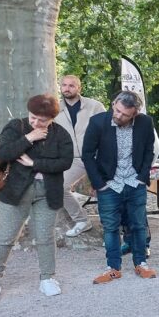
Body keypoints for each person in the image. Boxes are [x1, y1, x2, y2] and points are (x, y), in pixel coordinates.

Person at [0, 94, 74, 301]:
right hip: (15, 190)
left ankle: (47, 278)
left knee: (45, 236)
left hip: (48, 191)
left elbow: (65, 162)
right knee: (6, 236)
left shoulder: (61, 134)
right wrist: (29, 138)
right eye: (33, 117)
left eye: (42, 120)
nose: (36, 122)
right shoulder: (16, 126)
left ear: (52, 119)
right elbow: (5, 153)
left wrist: (34, 164)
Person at [81, 91, 158, 283]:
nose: (118, 115)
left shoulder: (145, 122)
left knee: (139, 225)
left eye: (125, 114)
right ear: (113, 103)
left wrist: (142, 177)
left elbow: (149, 151)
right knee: (110, 227)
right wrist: (99, 184)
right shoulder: (98, 122)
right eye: (117, 110)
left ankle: (141, 263)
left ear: (135, 114)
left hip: (135, 182)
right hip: (109, 184)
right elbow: (87, 154)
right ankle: (113, 267)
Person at [53, 75, 104, 237]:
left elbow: (107, 130)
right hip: (73, 159)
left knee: (106, 191)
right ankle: (82, 220)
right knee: (59, 187)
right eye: (64, 85)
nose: (67, 88)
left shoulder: (95, 106)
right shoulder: (55, 109)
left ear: (79, 88)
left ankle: (112, 229)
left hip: (97, 157)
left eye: (71, 85)